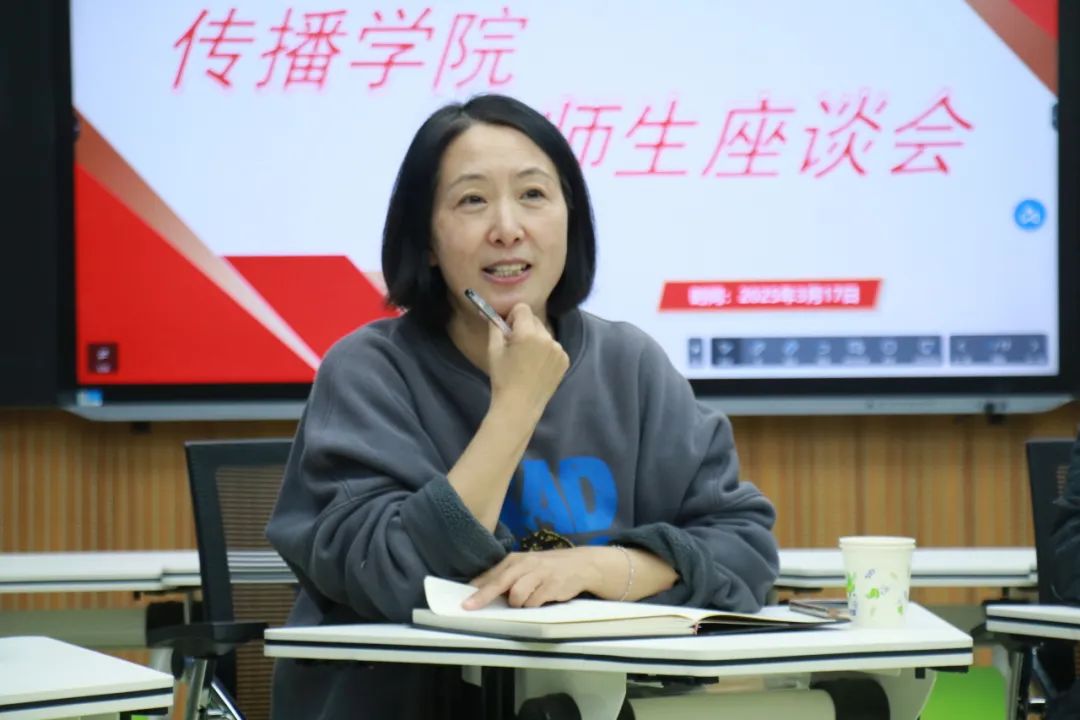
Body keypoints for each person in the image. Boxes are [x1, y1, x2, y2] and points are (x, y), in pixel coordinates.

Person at [265, 94, 780, 719]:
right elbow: (396, 578)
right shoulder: (369, 371)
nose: (507, 227)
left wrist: (607, 567)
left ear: (569, 220)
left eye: (533, 194)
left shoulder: (631, 365)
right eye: (472, 200)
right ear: (427, 241)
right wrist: (516, 405)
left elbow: (743, 548)